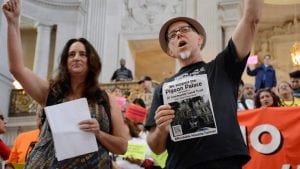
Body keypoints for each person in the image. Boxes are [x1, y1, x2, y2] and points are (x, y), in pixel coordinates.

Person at [2, 0, 128, 168]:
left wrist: (98, 133)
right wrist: (13, 22)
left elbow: (122, 146)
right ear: (65, 61)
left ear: (91, 61)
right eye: (71, 54)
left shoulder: (107, 100)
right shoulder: (50, 92)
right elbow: (16, 68)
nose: (76, 57)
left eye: (82, 54)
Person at [145, 0, 264, 168]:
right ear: (170, 51)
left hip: (224, 162)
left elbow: (251, 18)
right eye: (172, 35)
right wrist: (161, 128)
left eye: (185, 30)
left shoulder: (223, 66)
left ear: (200, 39)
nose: (178, 34)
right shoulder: (162, 89)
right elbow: (156, 148)